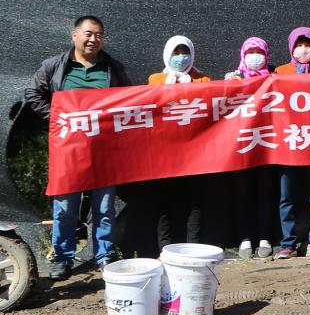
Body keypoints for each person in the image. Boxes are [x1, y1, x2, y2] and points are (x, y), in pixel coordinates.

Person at [24, 16, 131, 280]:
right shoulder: (54, 66)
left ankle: (105, 256)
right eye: (88, 34)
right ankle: (62, 258)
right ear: (74, 35)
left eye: (99, 35)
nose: (94, 39)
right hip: (68, 149)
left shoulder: (112, 68)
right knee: (64, 208)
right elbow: (32, 94)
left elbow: (129, 100)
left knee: (104, 208)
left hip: (103, 150)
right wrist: (58, 117)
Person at [274, 27, 310, 258]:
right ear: (291, 47)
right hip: (288, 142)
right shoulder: (280, 72)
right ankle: (288, 243)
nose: (303, 49)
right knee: (287, 197)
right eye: (298, 45)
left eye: (307, 44)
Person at [147, 35, 210, 248]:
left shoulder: (203, 80)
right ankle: (165, 247)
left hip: (195, 151)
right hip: (165, 151)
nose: (181, 57)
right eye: (176, 52)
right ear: (168, 54)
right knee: (164, 202)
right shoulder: (155, 80)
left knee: (195, 201)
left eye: (185, 52)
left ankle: (193, 246)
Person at [225, 36, 276, 259]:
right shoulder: (233, 78)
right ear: (243, 55)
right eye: (250, 52)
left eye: (259, 52)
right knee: (242, 193)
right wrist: (232, 84)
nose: (255, 57)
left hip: (267, 144)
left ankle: (265, 237)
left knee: (266, 192)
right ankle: (244, 238)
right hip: (242, 145)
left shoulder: (275, 77)